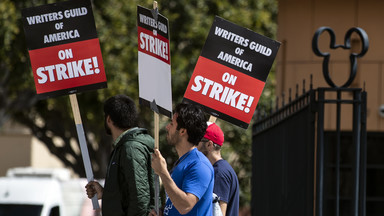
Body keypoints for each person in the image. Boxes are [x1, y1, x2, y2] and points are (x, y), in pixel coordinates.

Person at [85, 94, 155, 216]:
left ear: (109, 119)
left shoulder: (131, 148)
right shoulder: (125, 146)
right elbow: (128, 193)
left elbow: (140, 198)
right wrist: (106, 194)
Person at [150, 102, 214, 216]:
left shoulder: (199, 165)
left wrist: (162, 172)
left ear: (183, 131)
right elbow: (175, 204)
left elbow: (185, 206)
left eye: (171, 124)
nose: (167, 127)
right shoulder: (182, 162)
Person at [197, 122, 240, 216]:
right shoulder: (222, 169)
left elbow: (218, 213)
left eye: (197, 141)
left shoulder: (219, 172)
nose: (195, 146)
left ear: (209, 145)